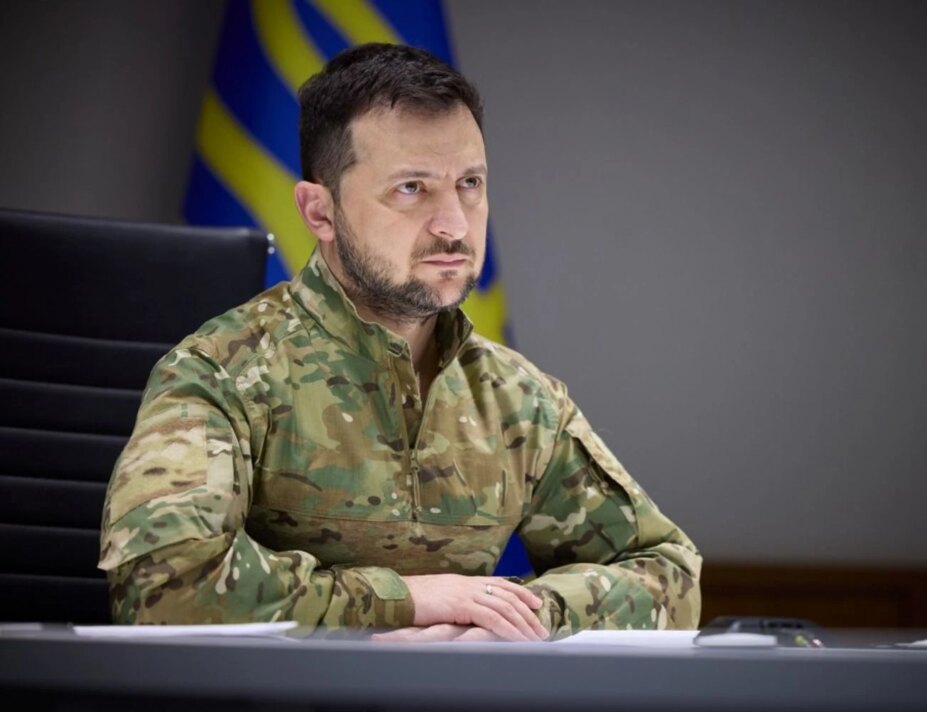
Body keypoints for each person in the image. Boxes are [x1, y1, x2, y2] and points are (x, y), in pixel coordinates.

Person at [98, 43, 701, 641]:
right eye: (412, 188)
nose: (454, 224)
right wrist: (405, 600)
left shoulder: (518, 399)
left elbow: (669, 577)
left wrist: (512, 617)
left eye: (470, 183)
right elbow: (163, 587)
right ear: (319, 212)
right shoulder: (220, 373)